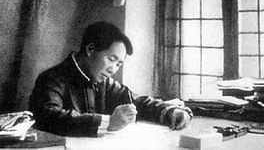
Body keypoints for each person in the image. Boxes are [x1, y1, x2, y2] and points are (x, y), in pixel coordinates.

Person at [29, 21, 193, 136]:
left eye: (119, 64)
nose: (113, 70)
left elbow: (136, 101)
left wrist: (171, 111)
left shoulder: (104, 83)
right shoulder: (51, 78)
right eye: (111, 59)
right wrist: (107, 122)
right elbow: (48, 117)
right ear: (90, 49)